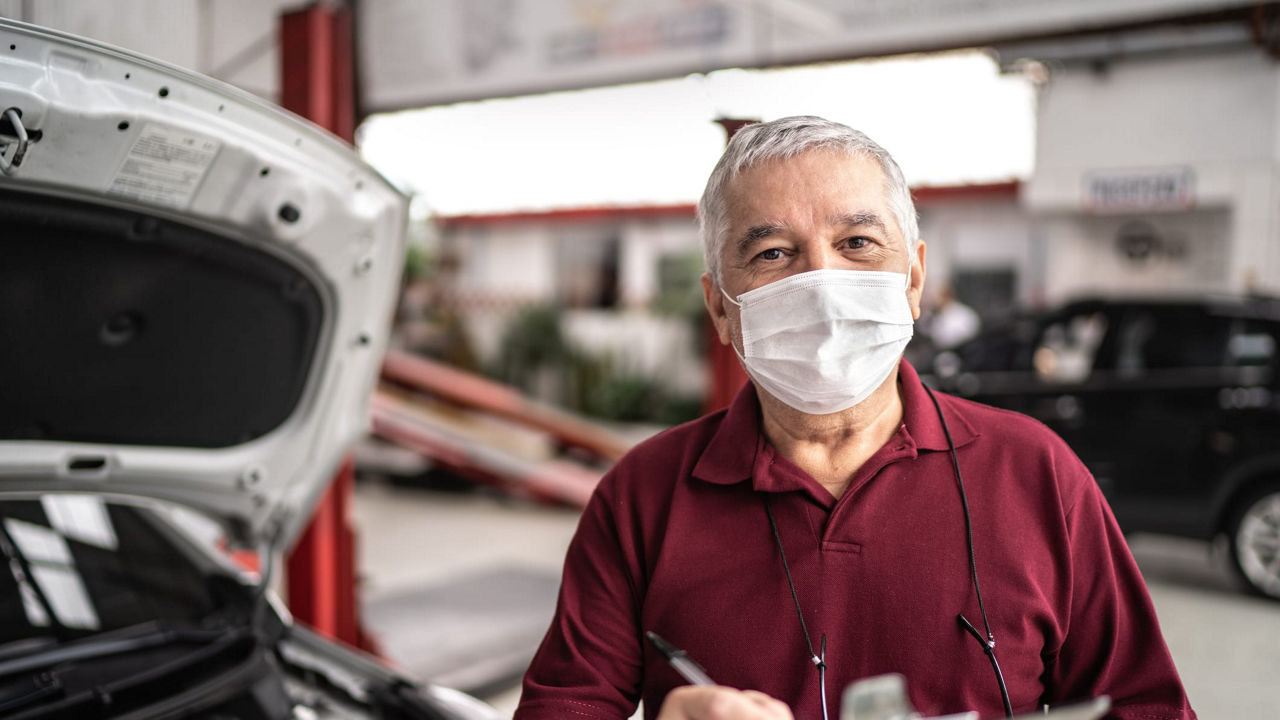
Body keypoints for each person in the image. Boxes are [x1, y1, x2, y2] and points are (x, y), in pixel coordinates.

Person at [514, 116, 1195, 720]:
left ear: (915, 279)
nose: (822, 285)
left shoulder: (1037, 473)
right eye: (772, 254)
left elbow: (1147, 709)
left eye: (859, 243)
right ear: (720, 308)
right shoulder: (642, 495)